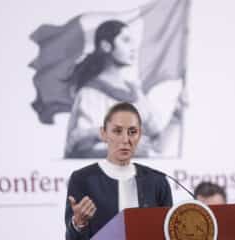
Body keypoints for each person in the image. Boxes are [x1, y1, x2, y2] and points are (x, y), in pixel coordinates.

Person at [64, 19, 185, 158]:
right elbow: (81, 146)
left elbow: (157, 146)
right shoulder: (90, 93)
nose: (133, 48)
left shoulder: (136, 94)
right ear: (106, 46)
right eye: (126, 40)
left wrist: (176, 117)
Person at [64, 102, 173, 240]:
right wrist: (78, 223)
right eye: (117, 131)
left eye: (132, 132)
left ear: (140, 135)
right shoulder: (82, 179)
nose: (125, 139)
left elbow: (169, 233)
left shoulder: (157, 181)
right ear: (103, 134)